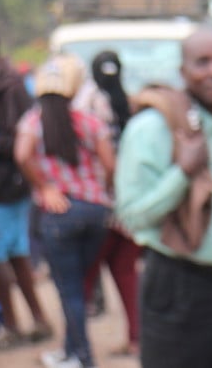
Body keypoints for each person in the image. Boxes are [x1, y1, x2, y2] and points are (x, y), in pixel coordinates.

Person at [114, 27, 212, 368]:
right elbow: (133, 216)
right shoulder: (152, 129)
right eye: (202, 62)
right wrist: (183, 174)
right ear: (183, 72)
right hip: (179, 285)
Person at [14, 54, 115, 368]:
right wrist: (102, 191)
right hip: (95, 212)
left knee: (69, 289)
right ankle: (71, 352)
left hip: (60, 215)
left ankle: (81, 357)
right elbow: (110, 164)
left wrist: (45, 187)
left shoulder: (33, 122)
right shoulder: (89, 121)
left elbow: (22, 154)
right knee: (81, 286)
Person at [80, 51, 141, 357]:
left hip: (103, 202)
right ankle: (136, 338)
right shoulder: (128, 104)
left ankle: (76, 347)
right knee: (125, 272)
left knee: (85, 275)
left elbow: (105, 162)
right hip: (127, 203)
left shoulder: (90, 104)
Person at [0, 41, 52, 350]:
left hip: (8, 186)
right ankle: (38, 319)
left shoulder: (11, 88)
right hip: (12, 185)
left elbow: (18, 141)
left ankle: (14, 326)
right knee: (17, 254)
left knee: (5, 258)